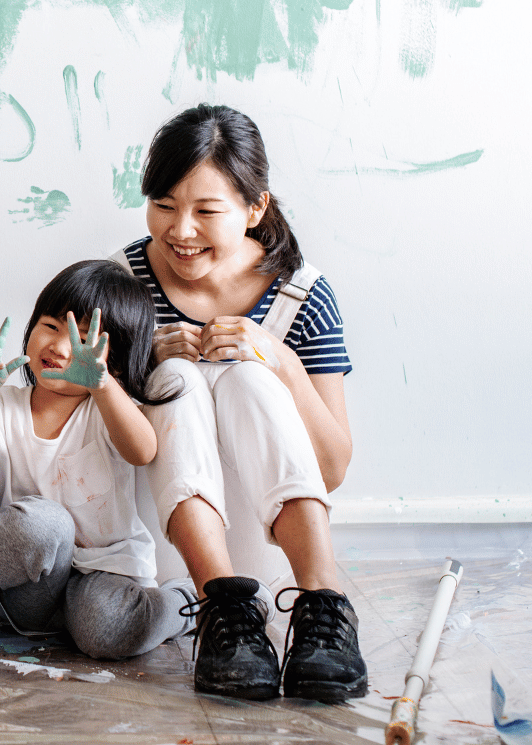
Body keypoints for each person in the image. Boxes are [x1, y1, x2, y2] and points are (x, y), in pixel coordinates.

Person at [109, 104, 365, 702]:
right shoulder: (125, 280)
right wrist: (138, 366)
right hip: (162, 552)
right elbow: (84, 430)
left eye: (206, 210)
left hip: (272, 549)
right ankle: (224, 612)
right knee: (175, 376)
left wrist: (281, 360)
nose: (180, 230)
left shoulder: (301, 292)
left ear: (255, 209)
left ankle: (323, 606)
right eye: (164, 206)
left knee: (251, 379)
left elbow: (331, 468)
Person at [0, 260, 195, 659]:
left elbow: (142, 450)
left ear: (113, 358)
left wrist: (104, 386)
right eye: (51, 326)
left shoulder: (106, 409)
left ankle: (184, 604)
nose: (59, 347)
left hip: (106, 575)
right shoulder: (7, 406)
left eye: (81, 341)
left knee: (110, 633)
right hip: (31, 584)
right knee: (44, 523)